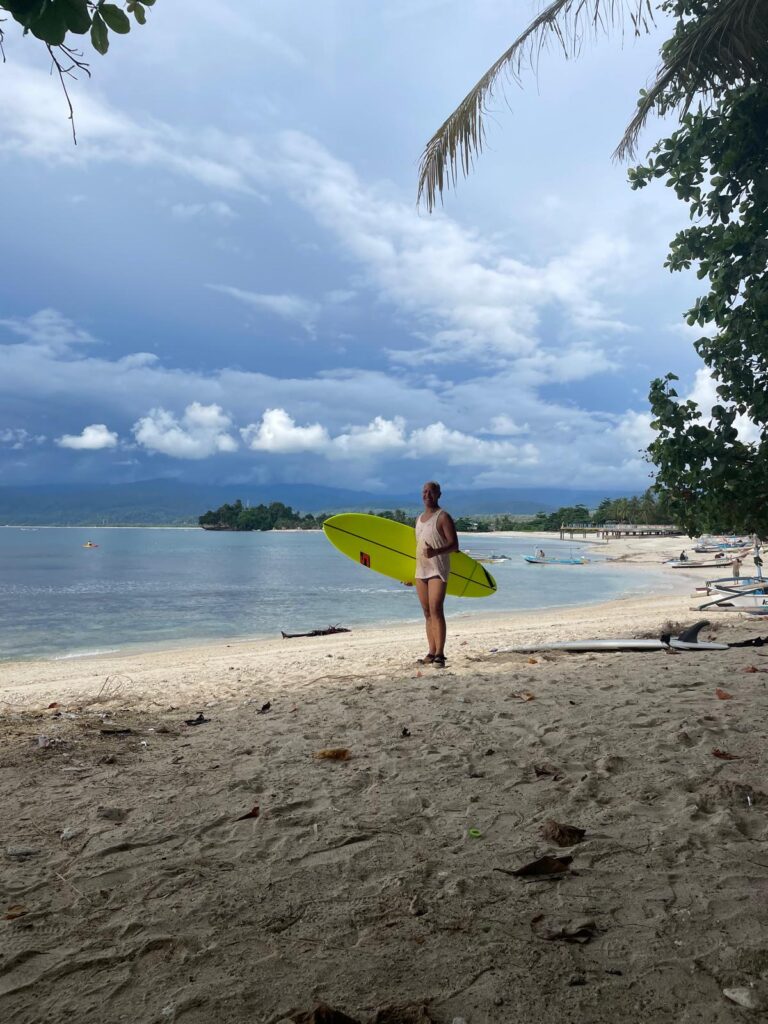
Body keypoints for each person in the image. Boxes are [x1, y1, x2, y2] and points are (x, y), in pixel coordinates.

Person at [414, 481, 459, 668]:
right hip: (421, 570)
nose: (427, 495)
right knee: (426, 612)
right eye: (424, 492)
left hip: (437, 569)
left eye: (431, 492)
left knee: (436, 609)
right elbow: (417, 547)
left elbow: (454, 545)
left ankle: (440, 654)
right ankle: (431, 652)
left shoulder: (443, 517)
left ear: (439, 494)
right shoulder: (419, 519)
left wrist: (436, 552)